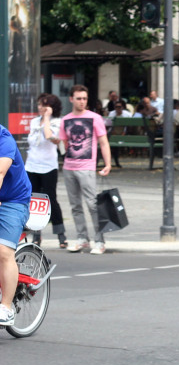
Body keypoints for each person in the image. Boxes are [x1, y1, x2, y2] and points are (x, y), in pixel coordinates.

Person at [59, 84, 112, 254]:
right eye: (79, 98)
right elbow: (64, 143)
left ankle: (99, 240)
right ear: (71, 99)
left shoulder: (95, 118)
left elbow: (103, 142)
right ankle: (82, 238)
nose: (82, 102)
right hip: (69, 167)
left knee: (92, 204)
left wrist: (108, 164)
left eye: (84, 99)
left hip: (87, 167)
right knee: (75, 205)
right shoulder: (65, 120)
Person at [0, 118, 33, 327]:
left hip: (13, 201)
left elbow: (0, 173)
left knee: (3, 251)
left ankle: (6, 307)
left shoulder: (4, 140)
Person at [25, 93, 67, 249]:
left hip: (48, 167)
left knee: (51, 198)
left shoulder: (57, 122)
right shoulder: (34, 122)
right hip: (32, 165)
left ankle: (61, 233)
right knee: (34, 200)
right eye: (39, 105)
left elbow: (50, 136)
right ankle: (36, 234)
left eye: (44, 105)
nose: (40, 108)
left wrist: (47, 118)